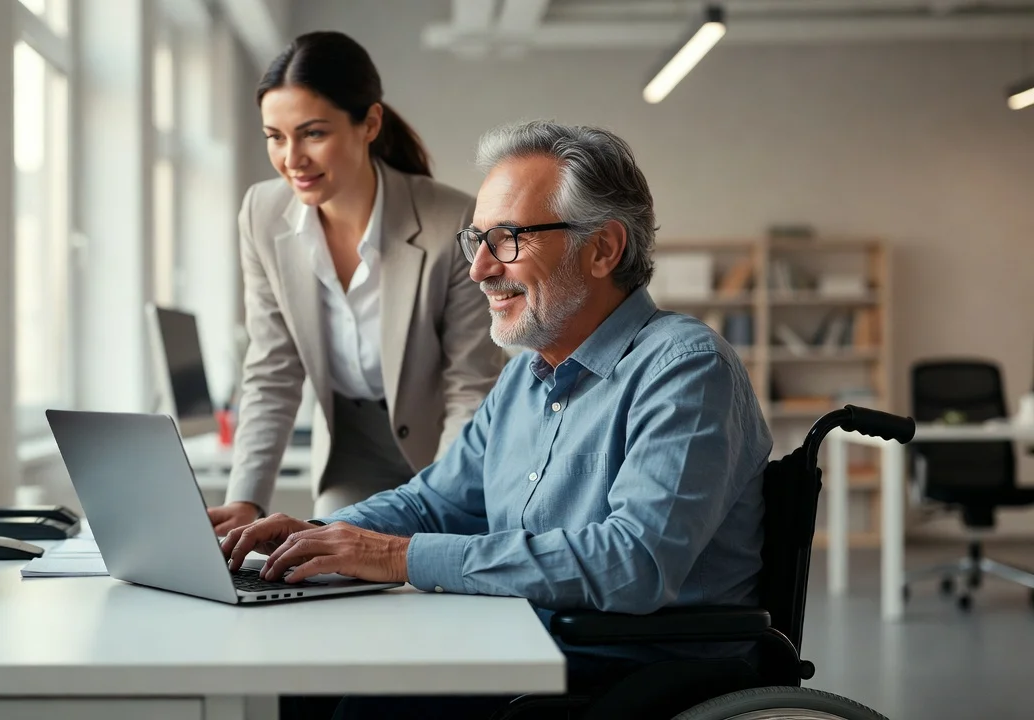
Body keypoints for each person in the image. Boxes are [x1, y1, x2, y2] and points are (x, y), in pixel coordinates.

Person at [222, 120, 774, 720]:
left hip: (630, 666)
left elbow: (633, 562)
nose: (480, 268)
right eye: (476, 240)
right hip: (527, 640)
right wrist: (313, 535)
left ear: (604, 248)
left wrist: (397, 557)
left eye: (508, 239)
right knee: (301, 680)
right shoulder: (524, 376)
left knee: (369, 707)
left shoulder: (685, 368)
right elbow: (430, 503)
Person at [206, 31, 505, 534]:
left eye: (313, 133)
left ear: (369, 123)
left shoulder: (450, 220)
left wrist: (442, 502)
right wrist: (246, 500)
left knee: (434, 584)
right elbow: (272, 368)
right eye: (275, 137)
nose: (291, 158)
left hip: (446, 444)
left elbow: (469, 386)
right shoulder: (262, 213)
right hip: (352, 450)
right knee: (326, 575)